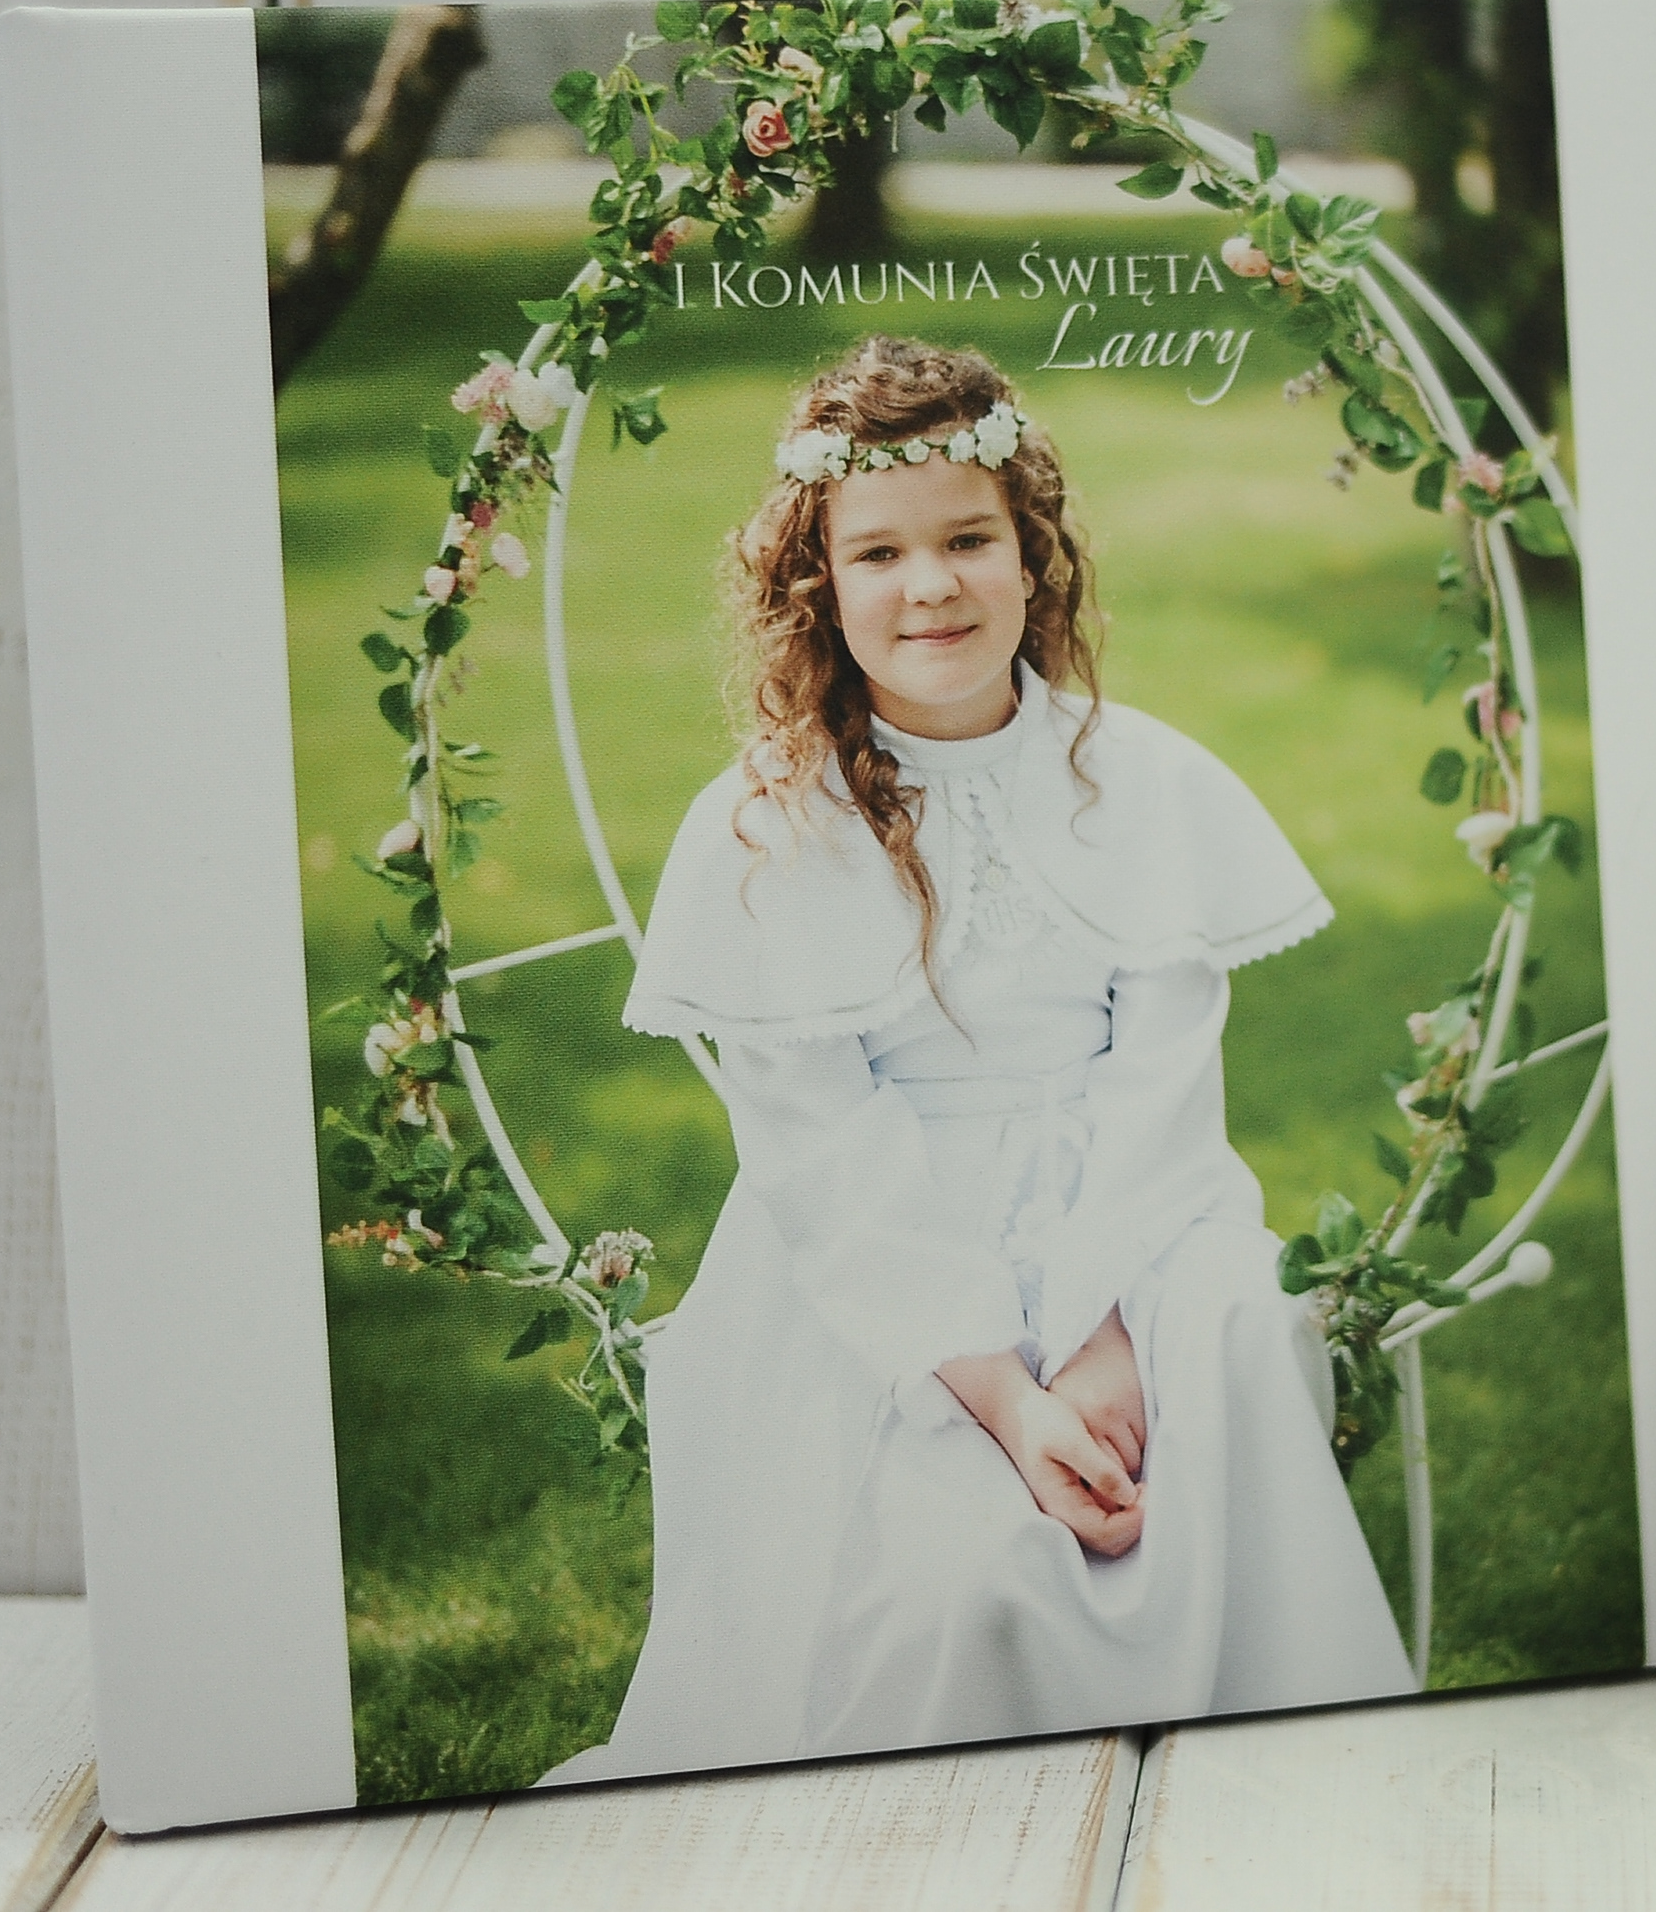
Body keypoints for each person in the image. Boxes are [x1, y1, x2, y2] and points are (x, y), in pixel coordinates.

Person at [548, 337, 1413, 1782]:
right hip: (887, 1262)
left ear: (1032, 556)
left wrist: (1099, 1329)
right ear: (821, 583)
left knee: (1244, 1345)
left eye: (968, 540)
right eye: (879, 553)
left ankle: (1277, 1774)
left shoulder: (1138, 781)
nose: (931, 586)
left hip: (1132, 1220)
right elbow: (821, 1151)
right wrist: (1010, 1391)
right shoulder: (772, 826)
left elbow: (1165, 1080)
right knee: (962, 1580)